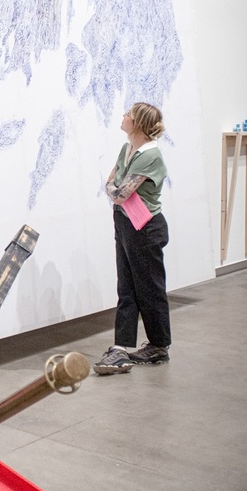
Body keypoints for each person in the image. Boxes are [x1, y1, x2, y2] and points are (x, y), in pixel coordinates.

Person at [93, 102, 171, 376]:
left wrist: (113, 189)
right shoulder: (127, 150)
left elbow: (119, 192)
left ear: (137, 124)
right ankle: (122, 348)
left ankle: (159, 346)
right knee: (126, 286)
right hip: (125, 222)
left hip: (145, 227)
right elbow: (112, 185)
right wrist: (113, 189)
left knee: (148, 287)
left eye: (129, 114)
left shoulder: (150, 156)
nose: (123, 116)